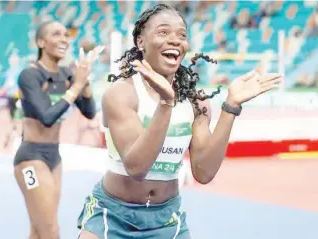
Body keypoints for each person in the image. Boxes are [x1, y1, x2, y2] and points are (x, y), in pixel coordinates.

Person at [77, 4, 282, 239]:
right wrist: (166, 104)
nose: (175, 40)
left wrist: (231, 107)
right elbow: (136, 168)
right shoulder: (121, 94)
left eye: (182, 35)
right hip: (112, 215)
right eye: (163, 32)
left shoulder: (196, 103)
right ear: (140, 42)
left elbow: (203, 173)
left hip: (166, 219)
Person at [13, 20, 103, 239]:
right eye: (56, 34)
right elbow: (47, 117)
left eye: (65, 35)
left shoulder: (67, 74)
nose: (63, 39)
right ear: (41, 42)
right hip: (31, 159)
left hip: (55, 158)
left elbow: (90, 112)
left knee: (38, 229)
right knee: (50, 230)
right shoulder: (30, 75)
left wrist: (85, 80)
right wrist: (76, 86)